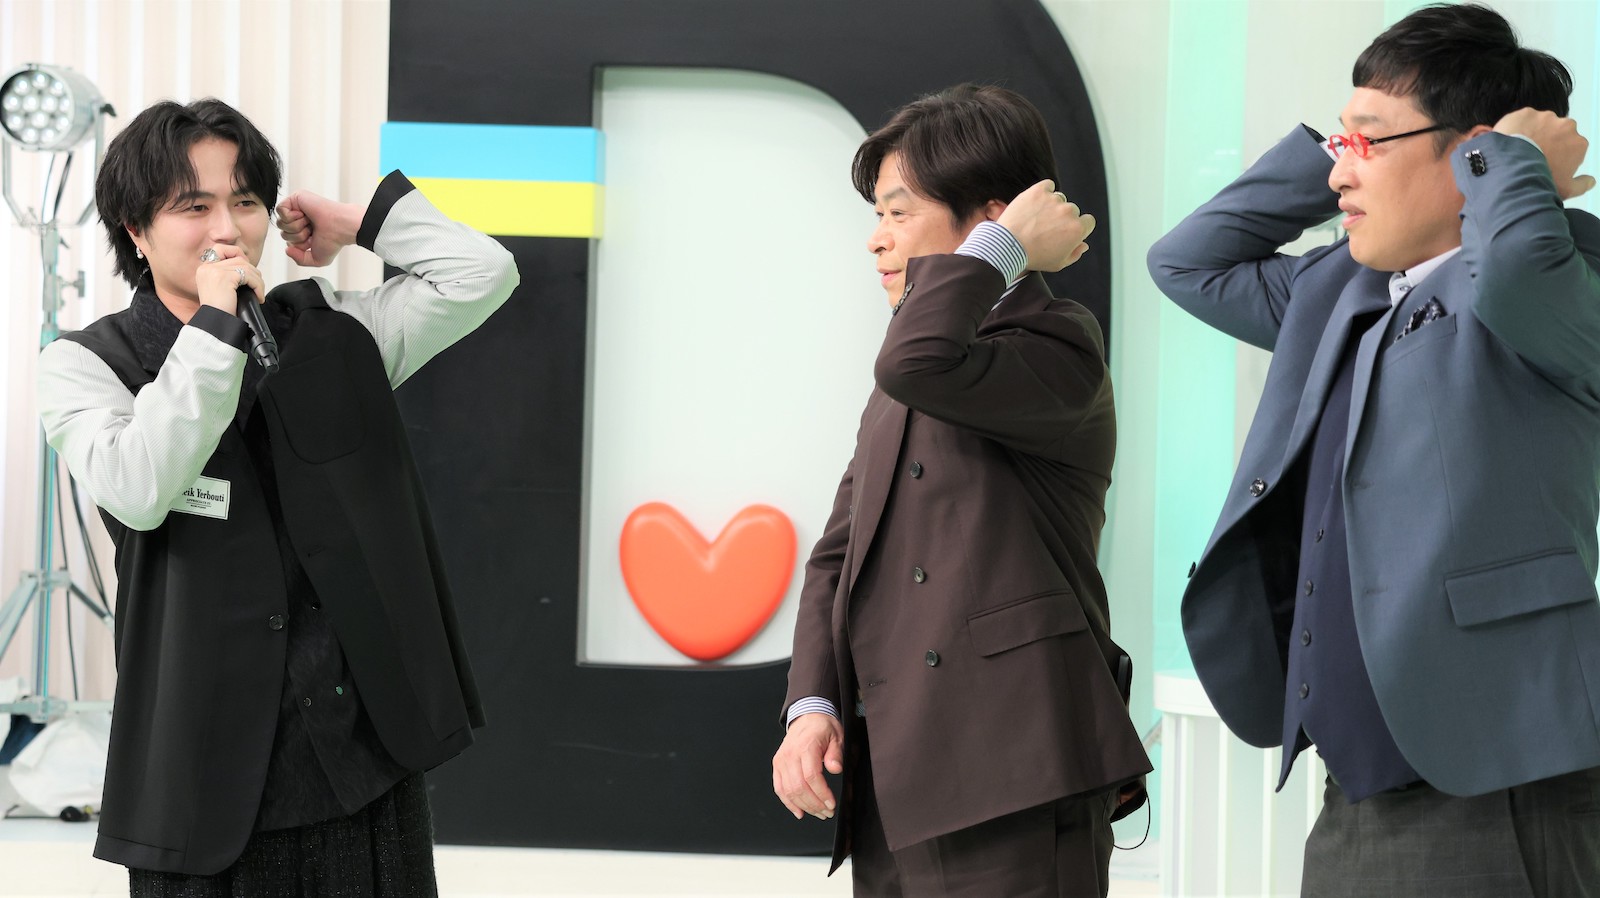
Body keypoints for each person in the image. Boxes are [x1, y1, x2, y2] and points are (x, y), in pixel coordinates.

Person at [1147, 5, 1600, 895]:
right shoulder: (1337, 289)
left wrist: (1512, 165)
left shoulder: (1560, 273)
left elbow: (1514, 271)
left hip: (1495, 780)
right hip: (1354, 787)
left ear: (1474, 152)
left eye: (1369, 141)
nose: (1340, 170)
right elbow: (1188, 262)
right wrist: (1344, 151)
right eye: (1339, 141)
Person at [36, 98, 518, 894]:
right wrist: (214, 330)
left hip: (360, 757)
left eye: (247, 201)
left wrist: (356, 225)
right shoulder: (86, 364)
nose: (228, 229)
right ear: (135, 230)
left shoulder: (334, 335)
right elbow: (140, 487)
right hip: (204, 777)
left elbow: (482, 274)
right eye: (194, 207)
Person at [772, 84, 1149, 897]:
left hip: (1013, 775)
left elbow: (916, 361)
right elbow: (839, 556)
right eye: (876, 215)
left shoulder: (1055, 344)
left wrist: (998, 251)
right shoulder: (908, 370)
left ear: (992, 223)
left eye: (899, 213)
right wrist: (812, 706)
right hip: (893, 783)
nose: (877, 239)